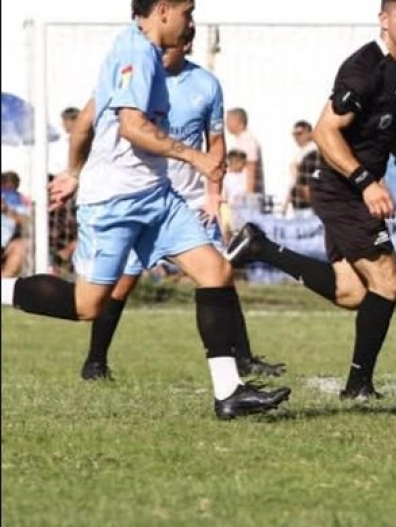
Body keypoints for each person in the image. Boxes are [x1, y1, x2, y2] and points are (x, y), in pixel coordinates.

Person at [0, 0, 290, 420]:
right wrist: (194, 158)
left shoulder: (143, 52)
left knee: (214, 271)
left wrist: (73, 171)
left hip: (156, 197)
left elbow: (85, 123)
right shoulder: (135, 52)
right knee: (87, 305)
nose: (189, 22)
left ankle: (229, 393)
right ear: (163, 11)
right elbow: (134, 129)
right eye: (187, 12)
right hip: (115, 201)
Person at [226, 0, 396, 400]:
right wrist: (366, 182)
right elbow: (324, 131)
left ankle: (261, 248)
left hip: (351, 190)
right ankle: (358, 387)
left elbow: (382, 128)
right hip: (342, 191)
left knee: (353, 292)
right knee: (387, 282)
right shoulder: (363, 69)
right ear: (384, 19)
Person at [49, 32, 285, 382]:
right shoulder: (135, 75)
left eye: (188, 37)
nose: (182, 44)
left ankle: (240, 364)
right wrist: (75, 171)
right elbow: (88, 126)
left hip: (188, 202)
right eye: (179, 35)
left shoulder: (205, 85)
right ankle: (95, 360)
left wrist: (212, 194)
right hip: (137, 198)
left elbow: (215, 142)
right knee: (113, 287)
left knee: (217, 273)